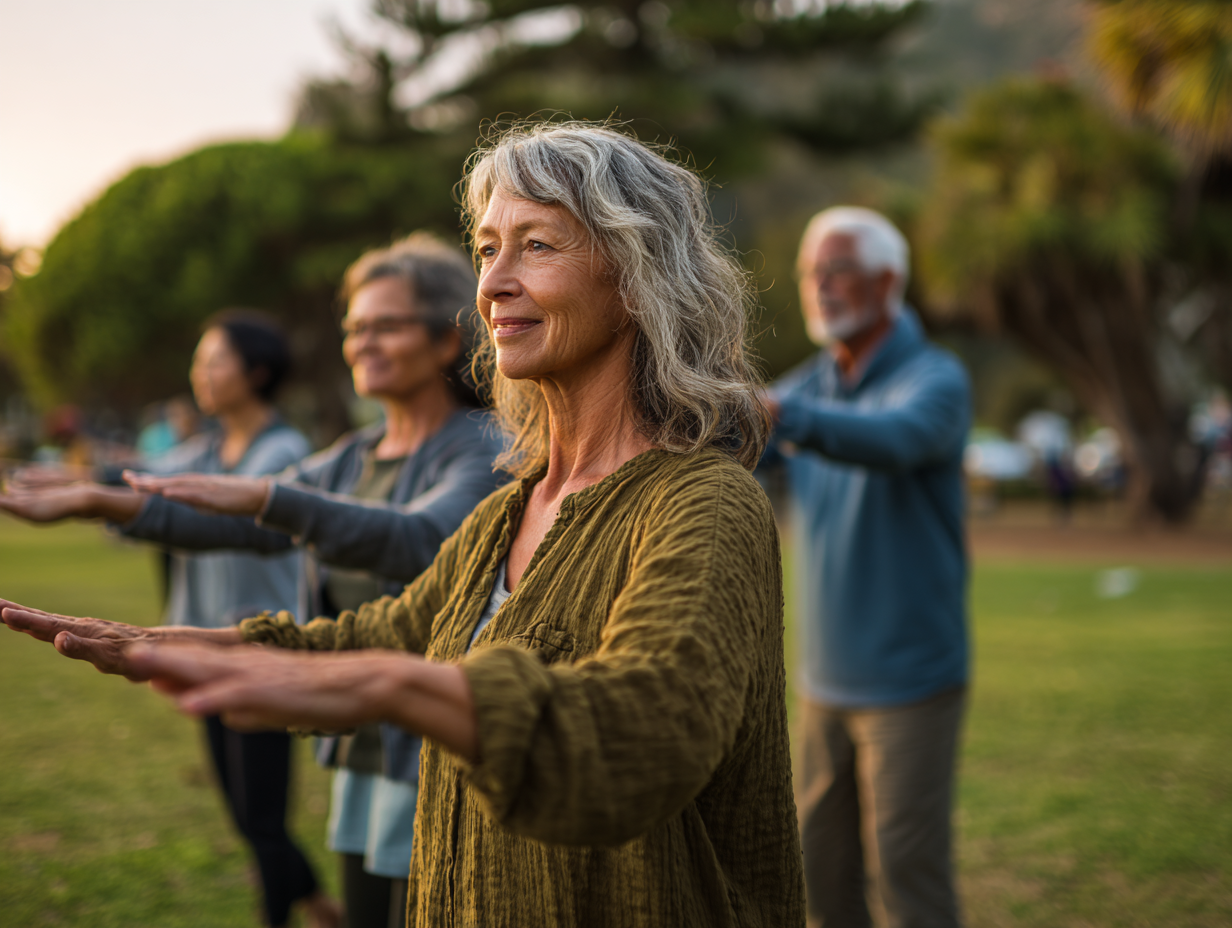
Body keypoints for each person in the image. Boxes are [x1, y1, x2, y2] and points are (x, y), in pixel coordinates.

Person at [1, 121, 806, 928]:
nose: (493, 284)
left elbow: (649, 732)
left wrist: (394, 685)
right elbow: (383, 634)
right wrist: (173, 645)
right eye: (487, 250)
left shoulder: (704, 503)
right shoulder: (505, 514)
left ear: (637, 275)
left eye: (537, 245)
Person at [119, 233, 507, 928]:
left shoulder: (483, 446)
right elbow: (239, 522)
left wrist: (271, 497)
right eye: (355, 328)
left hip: (441, 742)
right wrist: (101, 502)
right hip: (364, 738)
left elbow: (421, 540)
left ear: (446, 342)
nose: (362, 343)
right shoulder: (353, 455)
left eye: (386, 326)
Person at [0, 312, 339, 928]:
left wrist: (94, 496)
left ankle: (294, 912)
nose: (199, 373)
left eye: (215, 361)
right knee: (244, 814)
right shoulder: (206, 449)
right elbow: (142, 478)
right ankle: (320, 906)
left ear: (257, 372)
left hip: (256, 647)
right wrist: (77, 480)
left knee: (261, 817)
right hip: (194, 646)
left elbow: (217, 518)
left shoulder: (282, 452)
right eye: (198, 360)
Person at [763, 207, 972, 928]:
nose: (819, 285)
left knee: (908, 878)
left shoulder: (936, 379)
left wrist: (780, 416)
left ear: (887, 283)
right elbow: (738, 442)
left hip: (911, 684)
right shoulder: (809, 386)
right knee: (821, 875)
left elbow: (897, 437)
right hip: (823, 682)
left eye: (838, 269)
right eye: (810, 272)